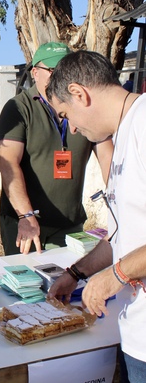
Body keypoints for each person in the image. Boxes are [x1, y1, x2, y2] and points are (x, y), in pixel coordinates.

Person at [46, 50, 146, 383]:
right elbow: (124, 237)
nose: (72, 129)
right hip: (136, 331)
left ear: (79, 93)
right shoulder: (123, 132)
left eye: (66, 115)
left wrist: (115, 275)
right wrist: (77, 273)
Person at [0, 42, 112, 255]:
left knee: (68, 283)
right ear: (35, 72)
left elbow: (108, 157)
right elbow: (8, 164)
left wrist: (120, 204)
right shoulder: (19, 108)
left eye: (63, 70)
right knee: (28, 284)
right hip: (26, 222)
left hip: (69, 223)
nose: (57, 76)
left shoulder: (84, 107)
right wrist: (26, 215)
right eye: (51, 70)